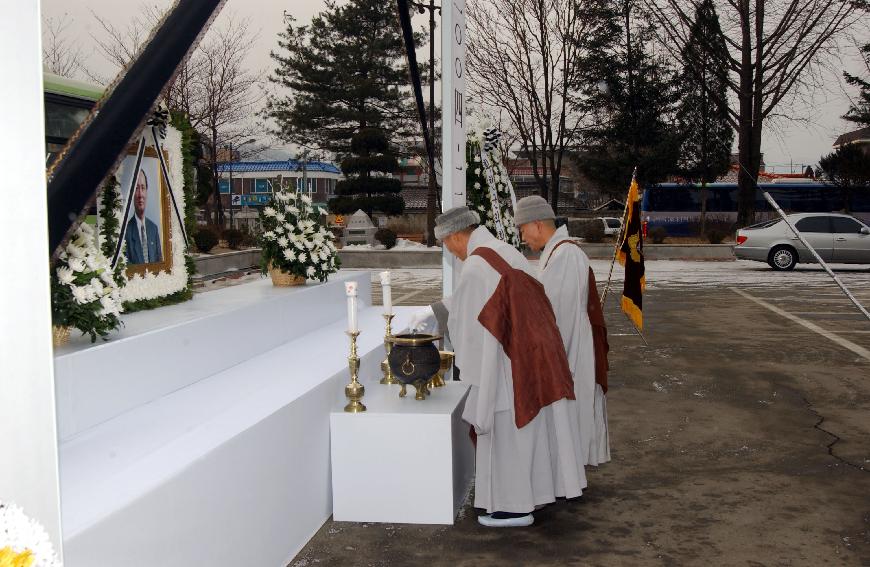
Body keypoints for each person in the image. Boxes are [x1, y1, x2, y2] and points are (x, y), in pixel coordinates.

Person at [412, 206, 587, 527]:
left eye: (446, 244)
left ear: (454, 236)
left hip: (510, 359)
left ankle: (514, 506)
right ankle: (534, 493)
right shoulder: (502, 250)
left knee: (509, 428)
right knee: (531, 430)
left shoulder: (476, 266)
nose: (449, 250)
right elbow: (482, 300)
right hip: (536, 349)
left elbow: (471, 325)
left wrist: (455, 347)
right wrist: (438, 308)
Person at [514, 196, 610, 466]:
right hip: (568, 344)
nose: (523, 238)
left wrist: (550, 360)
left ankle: (570, 468)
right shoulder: (556, 252)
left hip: (571, 347)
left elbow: (557, 313)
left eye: (522, 230)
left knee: (573, 412)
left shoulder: (565, 254)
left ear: (537, 224)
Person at [124, 169, 162, 265]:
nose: (140, 194)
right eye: (136, 189)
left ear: (147, 192)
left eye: (143, 188)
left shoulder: (154, 228)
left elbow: (160, 263)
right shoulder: (125, 232)